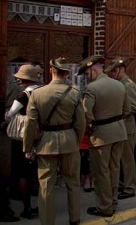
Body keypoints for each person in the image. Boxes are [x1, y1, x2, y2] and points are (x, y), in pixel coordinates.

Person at [23, 58, 86, 225]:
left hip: (46, 144)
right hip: (69, 140)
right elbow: (81, 122)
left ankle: (48, 221)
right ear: (66, 73)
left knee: (45, 186)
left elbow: (30, 124)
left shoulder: (37, 93)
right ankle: (74, 219)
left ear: (51, 71)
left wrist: (28, 148)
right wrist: (76, 141)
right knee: (73, 182)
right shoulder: (74, 93)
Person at [79, 55, 129, 217]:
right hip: (119, 132)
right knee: (114, 169)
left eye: (87, 74)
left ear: (94, 71)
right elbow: (127, 110)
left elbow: (86, 113)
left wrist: (88, 128)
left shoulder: (92, 89)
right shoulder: (119, 85)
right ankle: (113, 202)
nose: (87, 78)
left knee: (101, 173)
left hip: (100, 135)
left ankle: (104, 207)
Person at [4, 65, 40, 219]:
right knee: (40, 174)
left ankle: (27, 208)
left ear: (24, 79)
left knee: (22, 174)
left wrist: (8, 115)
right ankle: (42, 205)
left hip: (23, 138)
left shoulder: (22, 96)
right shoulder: (43, 91)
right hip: (41, 135)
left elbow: (9, 115)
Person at [105, 57, 136, 200]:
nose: (112, 74)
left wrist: (117, 112)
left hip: (127, 127)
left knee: (127, 160)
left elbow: (135, 106)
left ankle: (130, 187)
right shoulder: (118, 84)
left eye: (114, 71)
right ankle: (121, 184)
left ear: (121, 69)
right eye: (111, 71)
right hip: (120, 127)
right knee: (118, 159)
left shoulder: (128, 85)